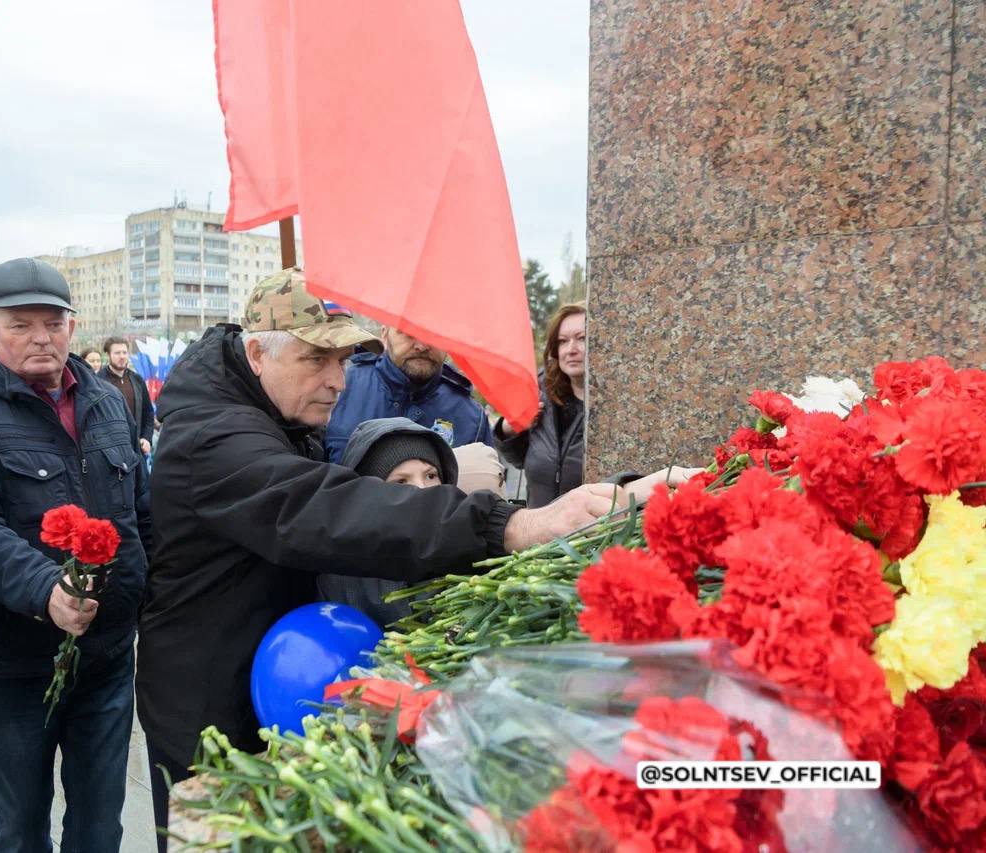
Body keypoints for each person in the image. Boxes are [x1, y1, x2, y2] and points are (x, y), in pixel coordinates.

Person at [136, 268, 686, 850]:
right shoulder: (212, 438)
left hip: (283, 668)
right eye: (317, 360)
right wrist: (508, 524)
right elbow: (326, 509)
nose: (337, 380)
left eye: (344, 361)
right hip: (207, 700)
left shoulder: (279, 412)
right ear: (256, 354)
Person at [0, 256, 153, 853]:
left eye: (53, 323)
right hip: (13, 660)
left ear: (72, 327)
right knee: (19, 824)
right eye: (20, 324)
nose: (41, 337)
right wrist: (45, 591)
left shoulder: (107, 399)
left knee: (99, 824)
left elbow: (138, 514)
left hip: (107, 656)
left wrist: (149, 601)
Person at [317, 417, 460, 627]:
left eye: (431, 476)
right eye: (401, 481)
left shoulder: (464, 550)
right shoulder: (339, 571)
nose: (421, 490)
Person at [324, 325, 492, 463]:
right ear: (384, 334)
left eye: (435, 334)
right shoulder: (338, 387)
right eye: (408, 330)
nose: (422, 345)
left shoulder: (472, 417)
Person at [497, 304, 587, 507]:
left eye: (582, 338)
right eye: (563, 341)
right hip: (539, 531)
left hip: (591, 533)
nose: (571, 349)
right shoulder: (540, 391)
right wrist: (509, 429)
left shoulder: (615, 407)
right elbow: (521, 460)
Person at [99, 336, 155, 455]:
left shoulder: (137, 380)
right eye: (117, 353)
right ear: (108, 355)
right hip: (110, 451)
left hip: (137, 449)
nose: (122, 356)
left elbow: (148, 412)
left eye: (124, 352)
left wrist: (147, 438)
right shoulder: (98, 381)